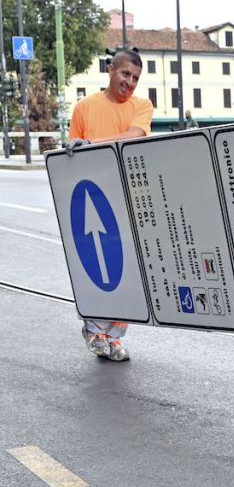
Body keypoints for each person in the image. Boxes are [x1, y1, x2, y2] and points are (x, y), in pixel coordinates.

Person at [66, 49, 154, 361]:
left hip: (128, 195)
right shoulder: (84, 108)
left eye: (135, 78)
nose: (129, 82)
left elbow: (131, 137)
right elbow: (72, 158)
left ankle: (115, 337)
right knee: (92, 265)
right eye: (125, 74)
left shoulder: (142, 106)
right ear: (110, 69)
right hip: (91, 196)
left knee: (129, 270)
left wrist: (92, 144)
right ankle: (94, 331)